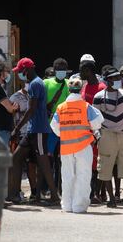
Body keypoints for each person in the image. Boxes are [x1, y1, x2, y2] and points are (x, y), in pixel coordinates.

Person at [8, 57, 60, 205]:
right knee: (16, 158)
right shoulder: (36, 83)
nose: (19, 74)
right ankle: (14, 194)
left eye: (20, 71)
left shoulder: (35, 84)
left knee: (43, 163)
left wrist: (17, 128)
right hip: (32, 130)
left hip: (37, 129)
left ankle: (55, 196)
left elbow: (31, 109)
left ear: (26, 70)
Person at [50, 78, 104, 213]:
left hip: (66, 148)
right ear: (81, 90)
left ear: (69, 90)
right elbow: (98, 121)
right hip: (83, 146)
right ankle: (79, 206)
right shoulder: (85, 106)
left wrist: (65, 134)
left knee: (67, 176)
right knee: (83, 175)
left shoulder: (61, 107)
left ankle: (67, 205)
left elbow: (54, 126)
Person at [93, 66, 123, 208]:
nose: (118, 80)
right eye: (114, 78)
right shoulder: (98, 97)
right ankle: (111, 199)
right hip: (106, 135)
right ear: (107, 80)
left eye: (118, 77)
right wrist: (99, 136)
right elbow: (95, 120)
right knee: (105, 167)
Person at [79, 58, 107, 204]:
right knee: (88, 163)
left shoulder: (102, 88)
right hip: (84, 131)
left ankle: (97, 193)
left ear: (88, 71)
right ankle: (90, 193)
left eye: (82, 70)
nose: (79, 73)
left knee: (97, 163)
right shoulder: (83, 87)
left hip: (97, 131)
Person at [44, 58, 70, 191]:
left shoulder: (69, 84)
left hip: (65, 129)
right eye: (59, 70)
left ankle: (61, 188)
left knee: (63, 161)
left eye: (63, 70)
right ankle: (50, 188)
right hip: (49, 129)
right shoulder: (46, 83)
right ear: (54, 71)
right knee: (49, 160)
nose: (61, 72)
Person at [9, 81, 37, 199]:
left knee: (32, 165)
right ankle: (17, 191)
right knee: (17, 164)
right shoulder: (15, 97)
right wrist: (14, 131)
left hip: (32, 133)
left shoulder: (35, 95)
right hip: (20, 135)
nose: (29, 84)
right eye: (27, 82)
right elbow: (11, 115)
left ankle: (34, 193)